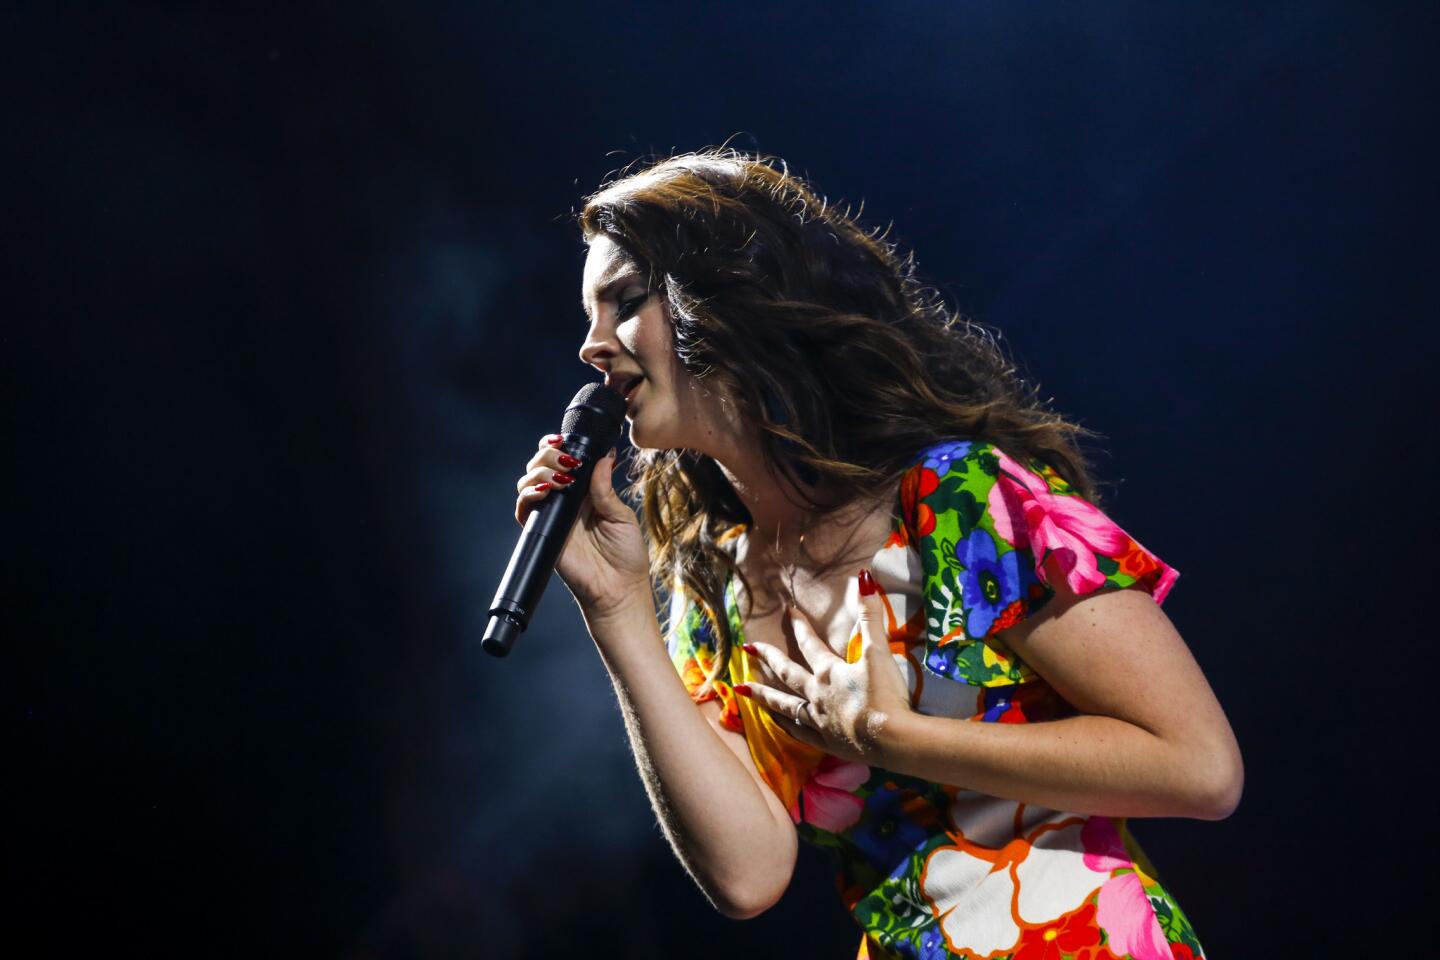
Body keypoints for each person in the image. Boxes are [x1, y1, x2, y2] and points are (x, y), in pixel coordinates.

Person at [513, 148, 1242, 960]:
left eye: (624, 302)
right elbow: (748, 877)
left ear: (725, 298)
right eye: (591, 315)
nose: (593, 344)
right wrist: (615, 609)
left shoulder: (960, 500)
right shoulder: (711, 585)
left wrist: (894, 740)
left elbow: (1200, 768)